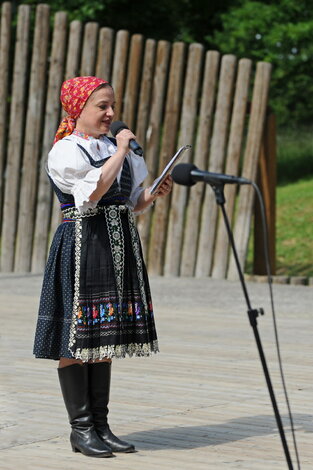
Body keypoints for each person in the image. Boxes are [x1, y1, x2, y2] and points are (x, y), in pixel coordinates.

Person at [33, 76, 172, 458]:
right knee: (78, 337)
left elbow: (130, 201)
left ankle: (101, 425)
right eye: (102, 107)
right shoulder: (66, 150)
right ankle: (81, 429)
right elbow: (91, 195)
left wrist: (152, 193)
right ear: (79, 109)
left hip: (119, 243)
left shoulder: (117, 148)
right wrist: (121, 151)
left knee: (105, 334)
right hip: (82, 244)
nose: (111, 114)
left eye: (112, 106)